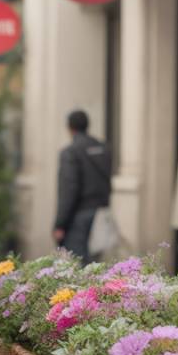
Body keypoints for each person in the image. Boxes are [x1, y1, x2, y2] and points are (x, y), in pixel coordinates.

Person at [53, 109, 112, 263]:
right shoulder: (104, 148)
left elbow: (68, 189)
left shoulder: (70, 152)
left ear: (70, 128)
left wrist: (60, 224)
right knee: (97, 265)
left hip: (78, 217)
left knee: (78, 266)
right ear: (87, 125)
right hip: (101, 213)